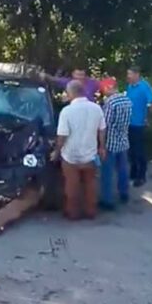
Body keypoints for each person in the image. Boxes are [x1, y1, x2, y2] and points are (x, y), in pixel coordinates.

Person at [52, 79, 106, 220]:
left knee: (72, 186)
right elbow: (102, 130)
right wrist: (102, 147)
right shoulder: (96, 108)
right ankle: (90, 211)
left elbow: (62, 135)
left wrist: (56, 152)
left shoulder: (67, 111)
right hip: (90, 154)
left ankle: (73, 213)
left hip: (71, 156)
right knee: (90, 184)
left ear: (70, 93)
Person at [98, 77, 132, 209]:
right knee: (122, 169)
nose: (103, 93)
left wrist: (102, 145)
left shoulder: (110, 103)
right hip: (123, 140)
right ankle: (124, 193)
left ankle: (108, 201)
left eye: (103, 90)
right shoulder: (127, 100)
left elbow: (104, 125)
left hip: (110, 142)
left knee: (107, 173)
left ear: (108, 88)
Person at [125, 65, 152, 186]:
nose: (128, 76)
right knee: (131, 150)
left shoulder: (144, 86)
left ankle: (141, 176)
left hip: (138, 124)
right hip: (128, 122)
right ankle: (133, 173)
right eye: (128, 74)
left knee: (139, 151)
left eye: (130, 74)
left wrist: (146, 117)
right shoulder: (130, 87)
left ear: (136, 74)